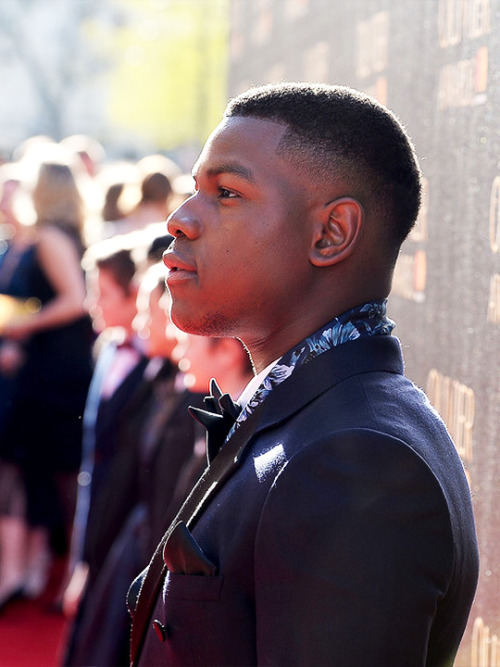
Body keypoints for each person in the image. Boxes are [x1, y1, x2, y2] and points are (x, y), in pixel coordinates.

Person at [129, 83, 479, 667]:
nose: (180, 218)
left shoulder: (355, 460)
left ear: (331, 233)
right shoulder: (314, 418)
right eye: (194, 190)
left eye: (227, 193)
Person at [0, 160, 93, 606]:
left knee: (62, 471)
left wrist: (24, 326)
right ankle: (39, 569)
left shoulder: (53, 237)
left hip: (60, 373)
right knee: (41, 467)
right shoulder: (39, 236)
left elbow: (76, 299)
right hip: (42, 369)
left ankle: (72, 573)